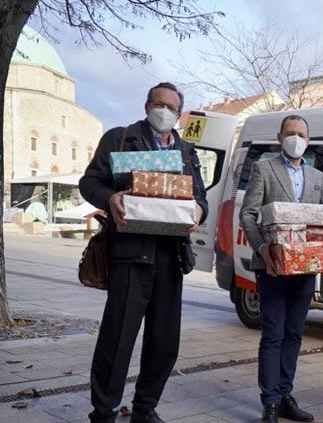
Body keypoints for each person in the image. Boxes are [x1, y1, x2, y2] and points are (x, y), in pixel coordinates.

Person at [80, 82, 207, 423]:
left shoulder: (186, 151)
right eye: (157, 104)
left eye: (171, 107)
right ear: (147, 104)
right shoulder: (120, 138)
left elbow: (201, 198)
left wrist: (199, 212)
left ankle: (145, 407)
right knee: (117, 338)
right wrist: (110, 198)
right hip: (131, 254)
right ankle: (103, 412)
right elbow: (90, 181)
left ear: (179, 115)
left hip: (171, 254)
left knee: (165, 341)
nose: (163, 111)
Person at [239, 115, 323, 423]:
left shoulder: (318, 177)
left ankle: (284, 396)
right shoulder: (263, 169)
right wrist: (261, 247)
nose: (296, 138)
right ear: (279, 137)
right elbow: (248, 214)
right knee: (273, 334)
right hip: (272, 267)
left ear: (309, 139)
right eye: (290, 133)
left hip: (306, 269)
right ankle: (269, 402)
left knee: (294, 334)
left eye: (301, 134)